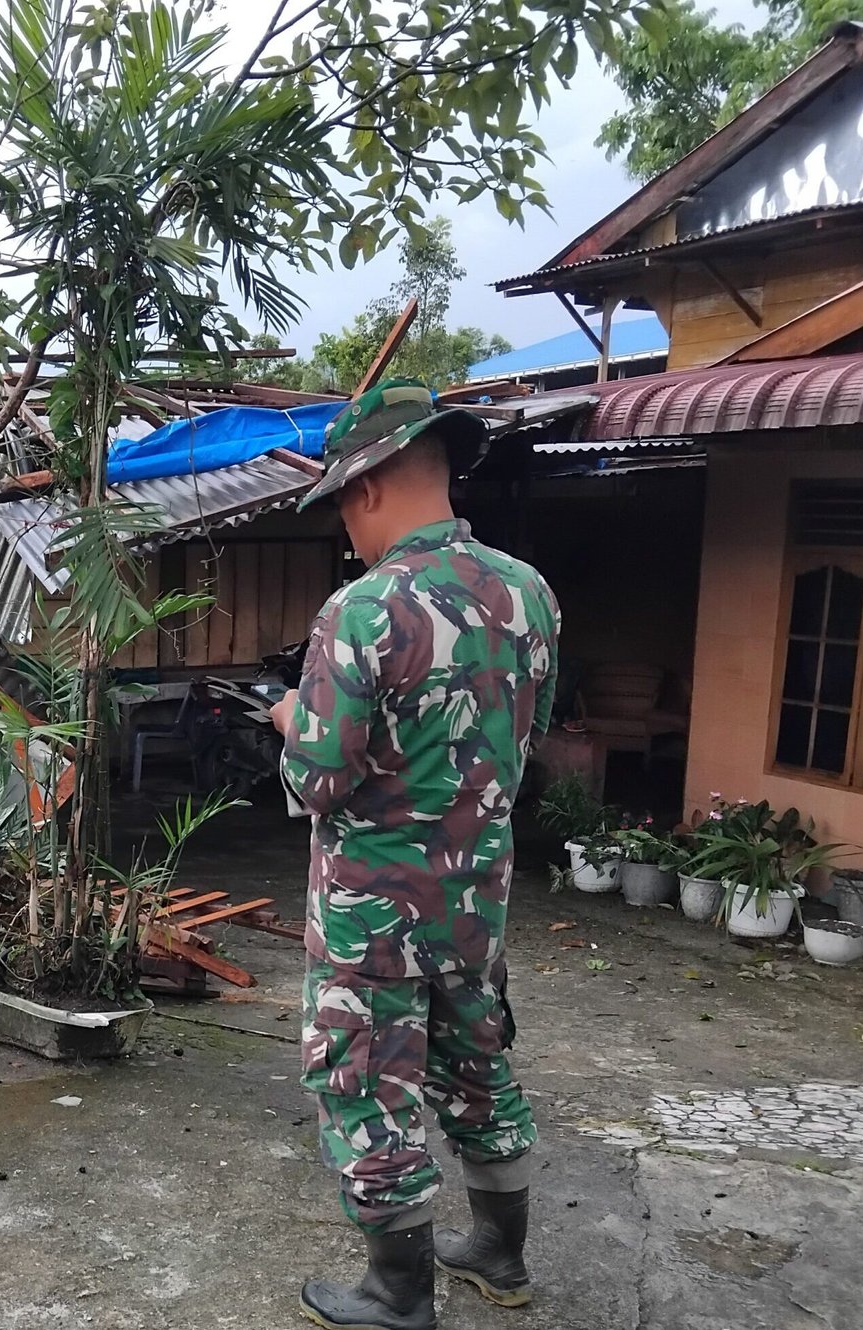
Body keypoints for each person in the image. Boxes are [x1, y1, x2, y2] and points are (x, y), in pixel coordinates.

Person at [270, 380, 559, 1330]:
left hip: (371, 911)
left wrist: (288, 721)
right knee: (478, 1059)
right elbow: (527, 739)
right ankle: (501, 1257)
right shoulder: (529, 593)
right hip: (476, 897)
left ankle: (397, 1294)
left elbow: (319, 777)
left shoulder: (362, 609)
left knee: (364, 1076)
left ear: (367, 490)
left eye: (345, 509)